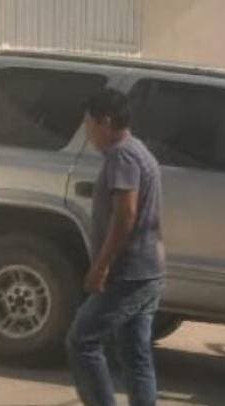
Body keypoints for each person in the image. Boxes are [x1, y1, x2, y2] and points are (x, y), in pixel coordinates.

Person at [66, 89, 165, 406]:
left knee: (81, 341)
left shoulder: (122, 156)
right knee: (135, 354)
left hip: (127, 273)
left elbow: (126, 215)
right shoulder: (139, 150)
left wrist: (102, 265)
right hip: (149, 271)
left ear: (105, 122)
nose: (88, 133)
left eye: (89, 125)